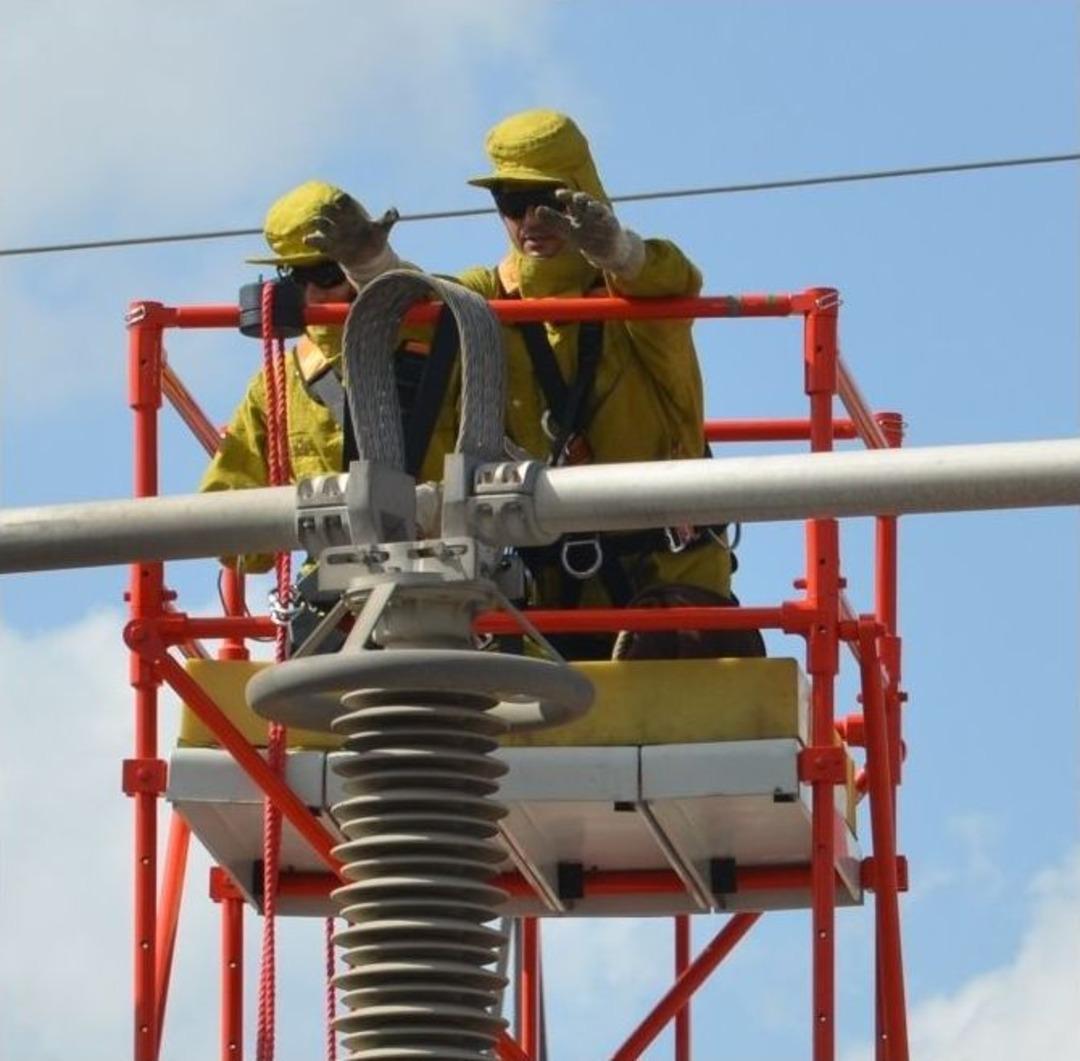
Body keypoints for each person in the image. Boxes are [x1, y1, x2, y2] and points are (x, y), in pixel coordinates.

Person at [453, 108, 764, 660]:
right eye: (511, 203)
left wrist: (619, 250)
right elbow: (409, 309)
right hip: (541, 600)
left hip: (666, 596)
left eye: (547, 202)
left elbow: (673, 280)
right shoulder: (485, 298)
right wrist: (365, 269)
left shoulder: (638, 300)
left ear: (580, 195)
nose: (531, 220)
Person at [200, 179, 458, 571]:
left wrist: (379, 269)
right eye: (296, 279)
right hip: (338, 600)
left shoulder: (444, 332)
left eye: (324, 274)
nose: (313, 295)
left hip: (455, 580)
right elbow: (231, 533)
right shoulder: (278, 385)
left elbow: (453, 298)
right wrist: (314, 516)